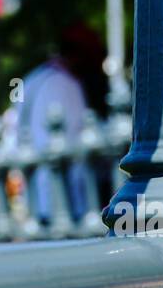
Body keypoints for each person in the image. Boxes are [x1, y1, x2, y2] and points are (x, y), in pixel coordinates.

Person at [18, 23, 105, 224]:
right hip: (66, 201)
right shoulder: (68, 84)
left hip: (34, 198)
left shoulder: (32, 78)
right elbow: (81, 143)